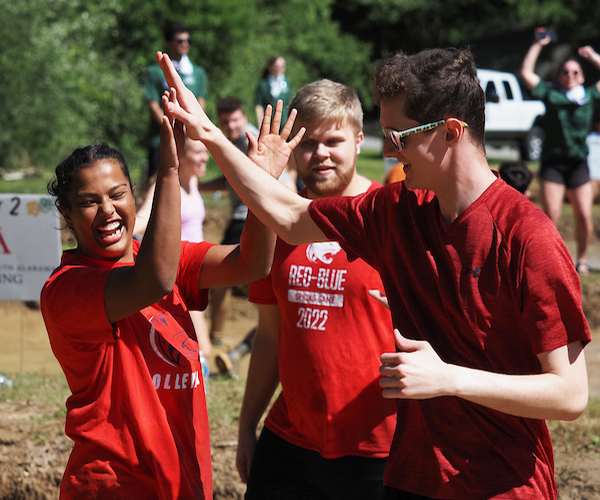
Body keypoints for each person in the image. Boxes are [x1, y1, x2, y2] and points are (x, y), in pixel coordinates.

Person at [157, 46, 590, 500]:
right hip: (411, 479)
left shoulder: (527, 237)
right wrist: (209, 134)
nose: (387, 151)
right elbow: (288, 216)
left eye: (398, 136)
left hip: (502, 487)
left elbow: (569, 394)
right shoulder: (398, 210)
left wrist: (450, 379)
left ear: (450, 132)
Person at [39, 84, 290, 498]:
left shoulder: (163, 258)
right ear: (65, 213)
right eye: (88, 201)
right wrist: (171, 169)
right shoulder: (67, 289)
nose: (107, 211)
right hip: (115, 485)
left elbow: (252, 263)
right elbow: (153, 279)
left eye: (118, 194)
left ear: (133, 195)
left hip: (183, 479)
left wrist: (262, 183)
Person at [236, 79, 397, 500]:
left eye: (334, 140)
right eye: (308, 142)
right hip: (290, 438)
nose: (321, 153)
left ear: (360, 141)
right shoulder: (275, 226)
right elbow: (269, 335)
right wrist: (247, 427)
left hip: (379, 447)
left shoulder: (391, 221)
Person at [521, 28, 600, 276]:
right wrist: (538, 44)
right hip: (553, 163)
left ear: (582, 76)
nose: (570, 75)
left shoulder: (589, 96)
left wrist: (593, 56)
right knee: (551, 216)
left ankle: (583, 260)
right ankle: (553, 261)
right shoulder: (551, 94)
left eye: (575, 71)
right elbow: (525, 73)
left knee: (584, 215)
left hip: (578, 163)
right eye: (565, 71)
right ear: (559, 75)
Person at [134, 135, 212, 356]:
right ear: (181, 155)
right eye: (198, 152)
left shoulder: (194, 181)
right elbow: (143, 218)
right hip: (178, 273)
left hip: (197, 271)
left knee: (199, 346)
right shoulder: (167, 186)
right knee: (197, 348)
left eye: (205, 151)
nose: (205, 157)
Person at [197, 96, 259, 347]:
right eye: (226, 122)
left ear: (243, 118)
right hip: (249, 215)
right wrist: (197, 185)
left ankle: (216, 338)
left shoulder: (248, 140)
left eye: (235, 120)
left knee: (220, 276)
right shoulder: (238, 140)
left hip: (246, 216)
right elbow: (227, 181)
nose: (231, 126)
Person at [144, 21, 208, 182]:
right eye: (180, 41)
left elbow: (201, 102)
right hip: (161, 138)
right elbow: (153, 105)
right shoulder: (154, 72)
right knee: (157, 181)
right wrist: (170, 127)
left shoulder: (198, 73)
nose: (185, 44)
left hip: (189, 136)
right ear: (168, 43)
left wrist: (189, 127)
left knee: (186, 180)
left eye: (188, 41)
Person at [255, 56, 292, 126]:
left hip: (284, 122)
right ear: (270, 67)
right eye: (277, 67)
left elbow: (289, 103)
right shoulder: (263, 84)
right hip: (269, 122)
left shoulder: (286, 82)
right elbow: (259, 105)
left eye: (282, 67)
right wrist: (260, 124)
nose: (280, 69)